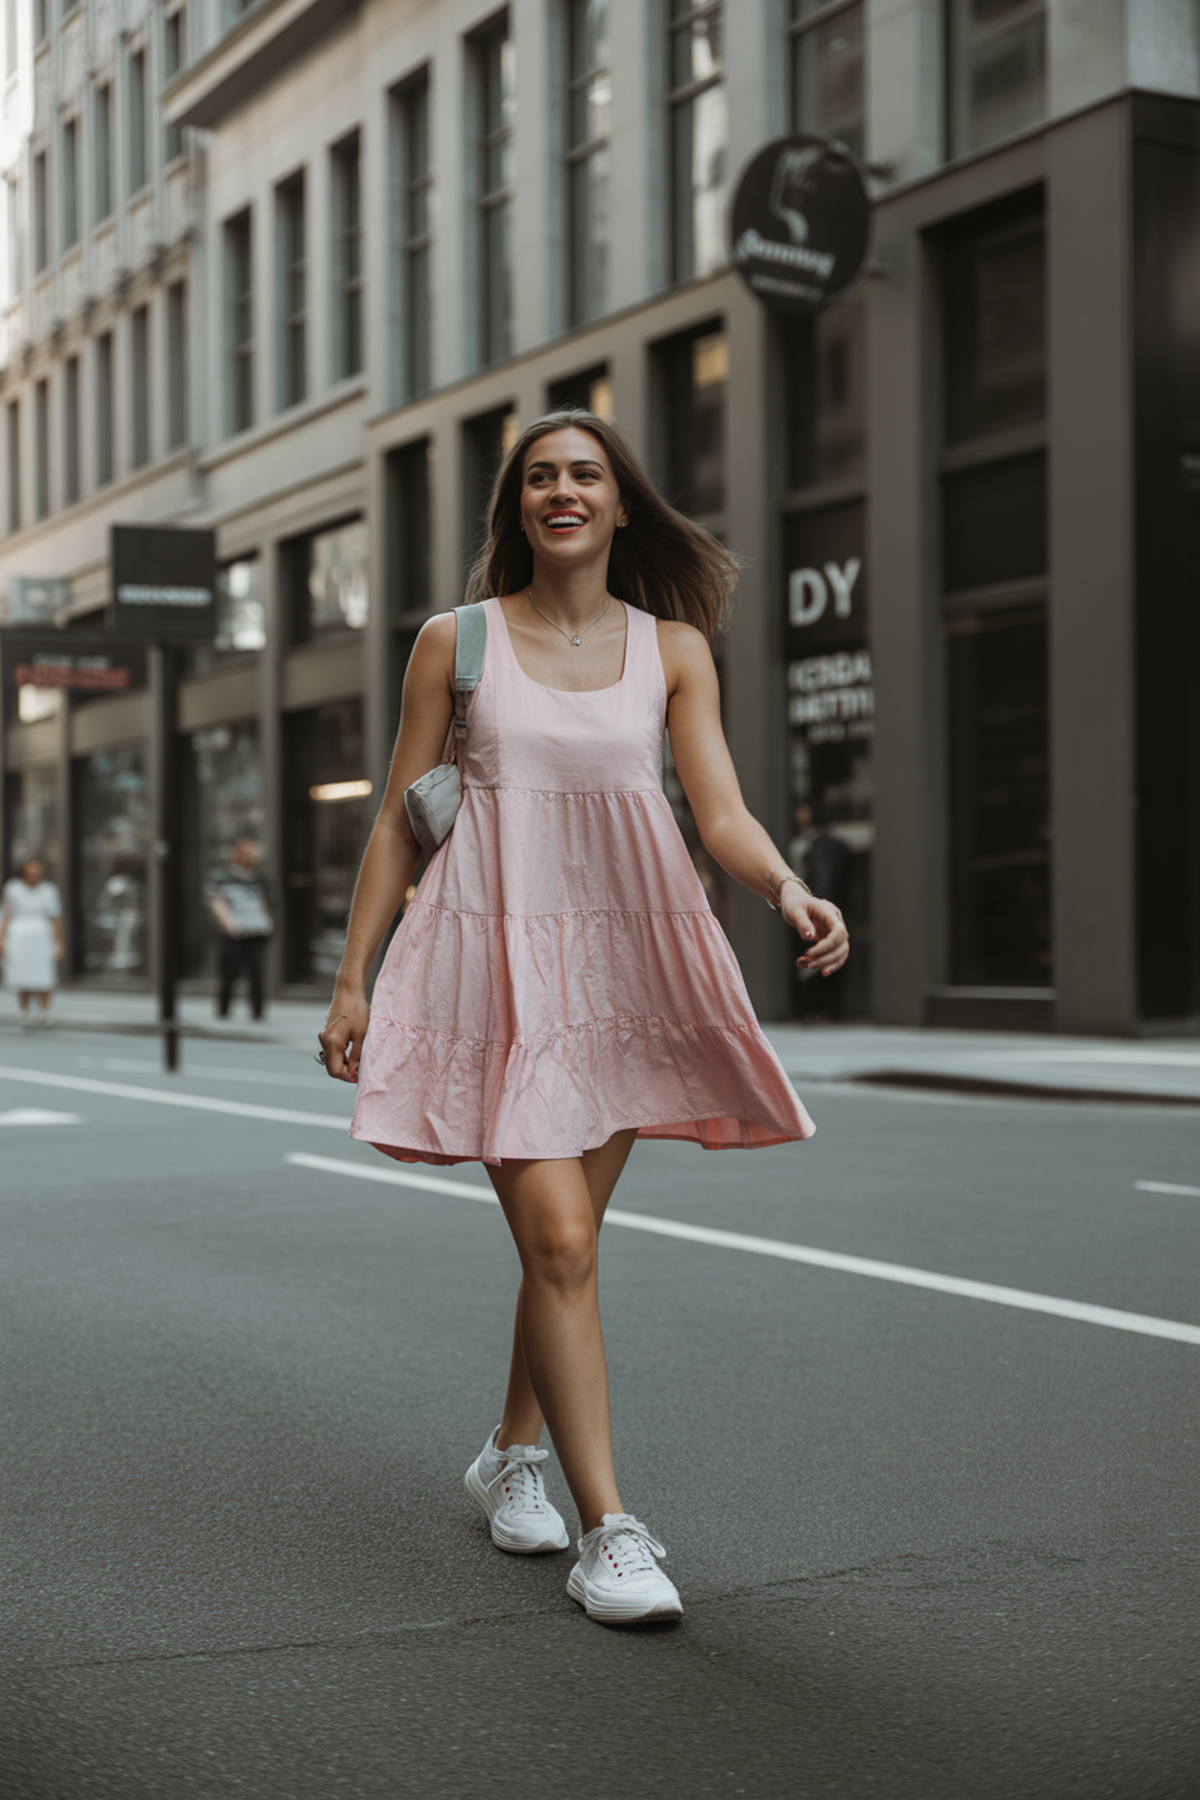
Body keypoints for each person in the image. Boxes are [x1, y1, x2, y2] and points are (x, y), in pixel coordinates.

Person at [319, 411, 849, 1626]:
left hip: (624, 966)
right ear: (517, 507)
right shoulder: (453, 645)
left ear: (621, 504)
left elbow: (716, 810)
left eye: (587, 475)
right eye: (541, 476)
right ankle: (611, 1531)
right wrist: (355, 980)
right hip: (490, 965)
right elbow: (403, 819)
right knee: (558, 1241)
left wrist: (787, 887)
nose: (563, 491)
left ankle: (512, 1450)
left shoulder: (673, 648)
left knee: (566, 1243)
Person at [791, 802, 852, 1022]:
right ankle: (818, 1008)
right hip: (807, 907)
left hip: (815, 907)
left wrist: (817, 902)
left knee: (818, 955)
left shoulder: (823, 845)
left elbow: (826, 879)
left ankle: (821, 1008)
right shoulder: (803, 843)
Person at [205, 837, 274, 1021]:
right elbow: (216, 902)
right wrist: (228, 925)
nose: (251, 858)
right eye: (247, 853)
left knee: (257, 973)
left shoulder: (260, 878)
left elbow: (265, 903)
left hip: (256, 932)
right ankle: (223, 1010)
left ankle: (258, 1012)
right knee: (229, 973)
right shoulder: (222, 877)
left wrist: (267, 923)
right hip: (233, 934)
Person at [0, 857, 64, 1029]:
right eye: (32, 869)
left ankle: (46, 1014)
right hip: (19, 935)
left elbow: (55, 917)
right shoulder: (13, 888)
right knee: (22, 976)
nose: (36, 873)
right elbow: (7, 914)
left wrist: (58, 942)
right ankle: (25, 1015)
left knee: (44, 976)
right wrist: (2, 939)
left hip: (41, 934)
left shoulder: (48, 890)